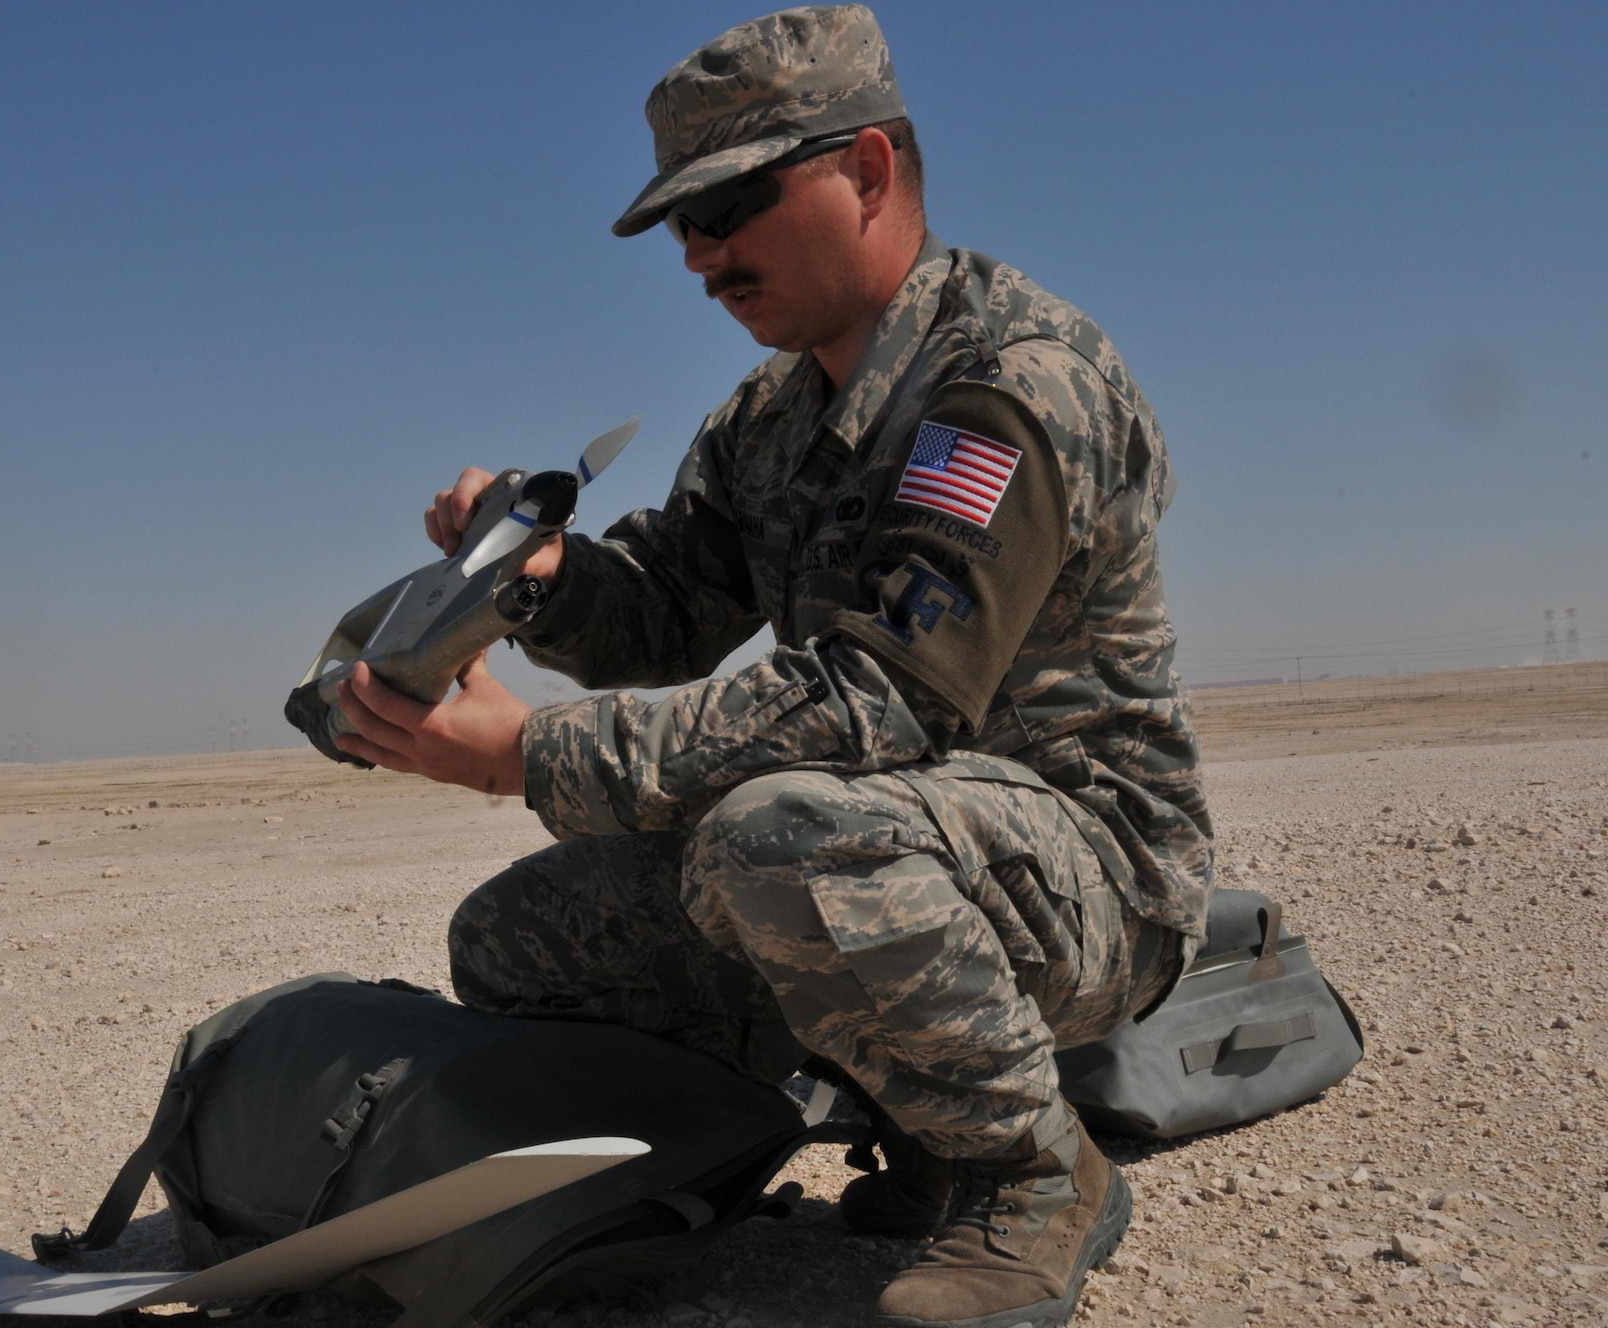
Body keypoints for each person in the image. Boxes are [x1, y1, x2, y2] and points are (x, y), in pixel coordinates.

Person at [332, 6, 1213, 1325]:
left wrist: (531, 756)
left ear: (867, 171)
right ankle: (895, 1119)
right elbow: (672, 608)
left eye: (731, 203)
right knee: (524, 941)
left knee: (773, 838)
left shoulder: (1011, 386)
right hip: (884, 836)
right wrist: (540, 577)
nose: (700, 256)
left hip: (1088, 874)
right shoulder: (771, 417)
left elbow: (880, 699)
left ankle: (1032, 1172)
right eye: (680, 226)